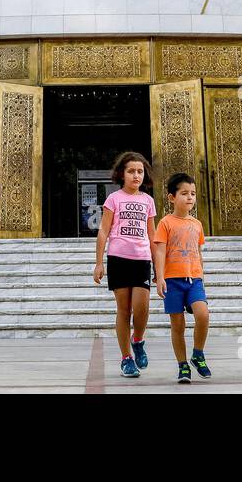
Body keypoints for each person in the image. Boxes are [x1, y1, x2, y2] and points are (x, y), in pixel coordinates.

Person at [93, 151, 157, 378]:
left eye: (140, 171)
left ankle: (138, 339)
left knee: (142, 308)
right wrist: (99, 262)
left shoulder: (148, 201)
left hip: (142, 259)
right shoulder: (114, 199)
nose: (136, 175)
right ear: (122, 174)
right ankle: (126, 358)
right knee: (124, 309)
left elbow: (152, 235)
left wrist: (159, 266)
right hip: (118, 258)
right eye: (131, 171)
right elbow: (103, 230)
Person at [152, 172, 211, 383]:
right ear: (171, 197)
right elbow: (159, 251)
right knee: (177, 325)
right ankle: (182, 365)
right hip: (172, 280)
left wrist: (201, 275)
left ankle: (198, 353)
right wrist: (160, 278)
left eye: (193, 194)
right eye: (184, 193)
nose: (189, 198)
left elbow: (198, 251)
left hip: (194, 279)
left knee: (203, 315)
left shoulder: (197, 224)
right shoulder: (166, 223)